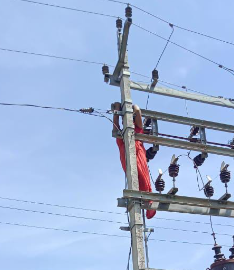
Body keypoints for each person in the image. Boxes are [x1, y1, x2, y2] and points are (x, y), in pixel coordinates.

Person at [113, 102, 156, 219]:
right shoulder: (121, 135)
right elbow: (115, 125)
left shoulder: (138, 131)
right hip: (129, 163)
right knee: (138, 181)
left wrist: (127, 108)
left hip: (139, 159)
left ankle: (148, 204)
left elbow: (137, 109)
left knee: (143, 180)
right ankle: (146, 203)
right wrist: (117, 110)